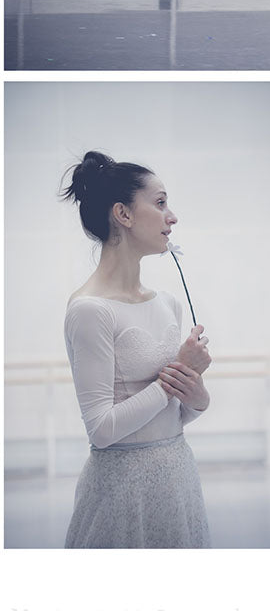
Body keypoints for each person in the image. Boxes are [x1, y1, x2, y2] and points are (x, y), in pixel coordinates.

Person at [60, 151, 212, 548]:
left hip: (178, 480)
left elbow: (177, 414)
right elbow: (103, 430)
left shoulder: (167, 303)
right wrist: (175, 373)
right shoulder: (90, 310)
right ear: (123, 215)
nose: (172, 216)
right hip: (120, 493)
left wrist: (196, 397)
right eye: (160, 203)